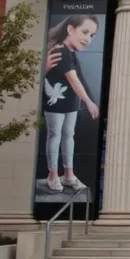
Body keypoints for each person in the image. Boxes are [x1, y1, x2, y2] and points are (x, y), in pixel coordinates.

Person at [43, 15, 100, 193]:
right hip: (56, 101)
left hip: (70, 102)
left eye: (92, 35)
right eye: (85, 32)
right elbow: (73, 80)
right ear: (70, 29)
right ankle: (53, 175)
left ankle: (68, 174)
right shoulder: (61, 51)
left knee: (69, 135)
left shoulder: (70, 52)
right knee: (55, 135)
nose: (88, 38)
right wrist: (88, 102)